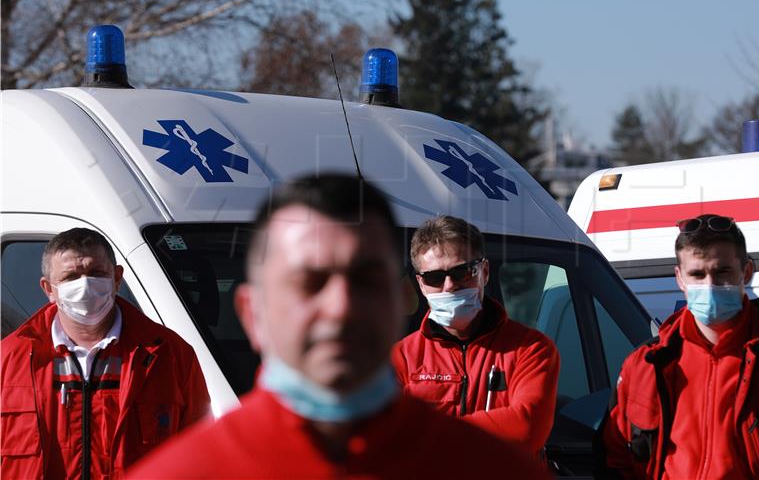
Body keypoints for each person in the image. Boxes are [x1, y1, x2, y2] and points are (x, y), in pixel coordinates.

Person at [129, 173, 546, 479]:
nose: (340, 307)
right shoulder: (185, 473)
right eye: (308, 283)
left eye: (365, 279)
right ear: (252, 313)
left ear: (398, 300)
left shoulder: (500, 469)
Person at [595, 213, 759, 479]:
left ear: (746, 272)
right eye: (697, 274)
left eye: (722, 272)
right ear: (680, 279)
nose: (710, 285)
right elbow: (614, 458)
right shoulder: (645, 366)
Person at [0, 228, 209, 479]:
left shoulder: (171, 355)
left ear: (117, 278)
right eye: (71, 277)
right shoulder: (9, 359)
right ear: (49, 289)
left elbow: (201, 456)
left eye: (96, 273)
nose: (85, 285)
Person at [392, 215, 560, 457]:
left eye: (462, 272)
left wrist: (426, 433)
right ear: (421, 283)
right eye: (435, 278)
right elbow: (385, 441)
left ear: (485, 271)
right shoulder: (400, 358)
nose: (448, 286)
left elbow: (526, 428)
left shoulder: (531, 349)